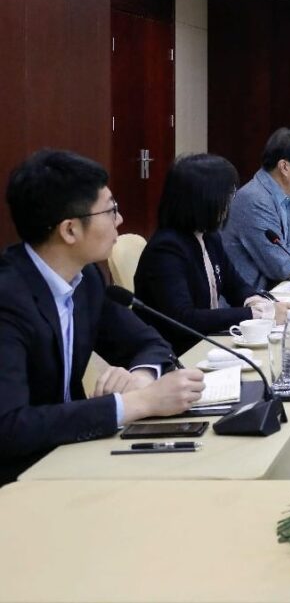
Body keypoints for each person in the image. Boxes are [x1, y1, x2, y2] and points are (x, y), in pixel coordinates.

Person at [0, 150, 206, 485]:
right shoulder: (8, 298)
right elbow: (9, 427)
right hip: (18, 480)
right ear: (70, 230)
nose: (119, 220)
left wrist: (140, 376)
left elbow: (149, 342)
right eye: (110, 210)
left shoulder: (86, 280)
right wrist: (135, 404)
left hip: (73, 455)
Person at [134, 154, 290, 354]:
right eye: (228, 195)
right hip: (177, 353)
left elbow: (235, 286)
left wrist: (255, 301)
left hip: (207, 342)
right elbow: (184, 318)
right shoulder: (166, 250)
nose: (230, 203)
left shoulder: (209, 237)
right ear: (204, 199)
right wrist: (254, 314)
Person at [221, 127, 290, 289]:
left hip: (278, 291)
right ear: (284, 167)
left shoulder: (289, 196)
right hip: (250, 298)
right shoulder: (255, 200)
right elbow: (281, 267)